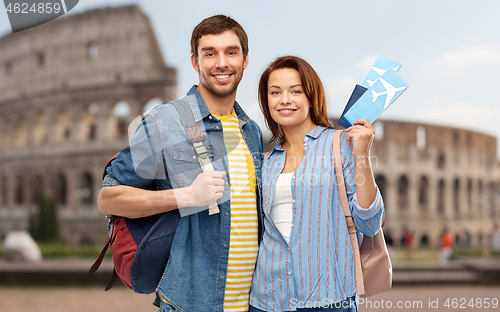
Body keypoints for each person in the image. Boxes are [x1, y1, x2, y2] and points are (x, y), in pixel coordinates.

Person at [97, 15, 264, 312]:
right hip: (190, 304)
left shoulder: (250, 131)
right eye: (209, 53)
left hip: (250, 303)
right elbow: (109, 198)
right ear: (195, 62)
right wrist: (185, 196)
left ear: (245, 60)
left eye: (231, 52)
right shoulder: (165, 122)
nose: (221, 63)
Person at [249, 56, 385, 312]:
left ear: (311, 96)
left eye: (295, 91)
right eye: (275, 92)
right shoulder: (265, 161)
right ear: (267, 101)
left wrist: (362, 156)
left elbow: (370, 222)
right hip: (266, 299)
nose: (285, 99)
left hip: (328, 299)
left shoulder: (340, 145)